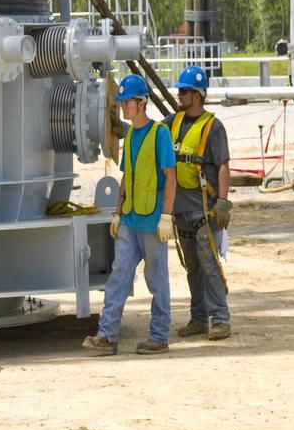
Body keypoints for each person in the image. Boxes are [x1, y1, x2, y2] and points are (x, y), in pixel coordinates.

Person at [83, 74, 175, 355]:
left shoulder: (160, 134)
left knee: (157, 280)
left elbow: (170, 177)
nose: (123, 107)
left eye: (127, 103)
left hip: (152, 221)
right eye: (122, 103)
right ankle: (107, 336)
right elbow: (127, 176)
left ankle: (159, 337)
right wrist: (118, 212)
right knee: (118, 276)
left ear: (142, 102)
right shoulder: (132, 135)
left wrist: (167, 216)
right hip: (131, 220)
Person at [166, 64, 232, 340]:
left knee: (209, 266)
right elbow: (147, 135)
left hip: (204, 211)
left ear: (197, 94)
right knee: (192, 267)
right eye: (180, 91)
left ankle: (220, 319)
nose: (180, 96)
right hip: (182, 211)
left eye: (184, 91)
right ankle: (198, 318)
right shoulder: (172, 123)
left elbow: (223, 166)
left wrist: (224, 203)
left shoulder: (213, 128)